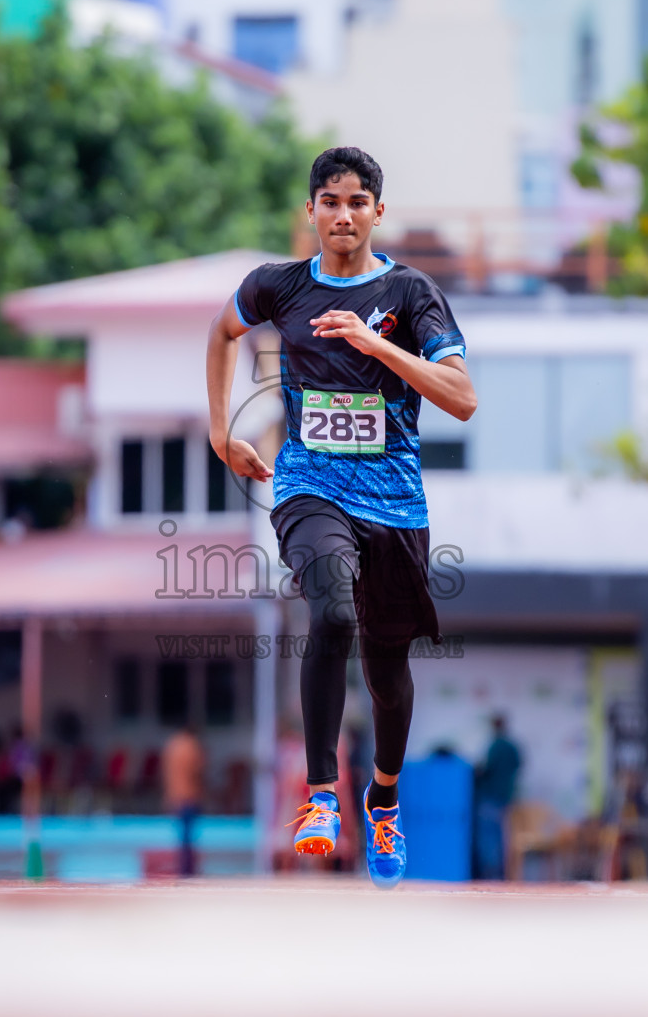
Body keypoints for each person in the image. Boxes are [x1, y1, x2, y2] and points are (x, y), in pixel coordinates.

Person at [206, 147, 477, 889]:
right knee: (328, 613)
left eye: (357, 202)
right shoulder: (278, 288)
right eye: (330, 201)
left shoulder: (411, 291)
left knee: (388, 675)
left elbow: (462, 397)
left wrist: (376, 343)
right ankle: (321, 797)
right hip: (308, 487)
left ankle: (381, 802)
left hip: (394, 503)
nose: (343, 214)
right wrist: (219, 430)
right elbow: (222, 332)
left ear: (377, 212)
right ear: (312, 211)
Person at [475, 714, 523, 880]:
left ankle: (491, 875)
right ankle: (501, 875)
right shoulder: (512, 746)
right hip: (506, 796)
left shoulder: (495, 746)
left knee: (489, 838)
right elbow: (518, 766)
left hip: (490, 796)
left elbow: (486, 769)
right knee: (502, 837)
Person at [161, 725, 206, 877]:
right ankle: (188, 869)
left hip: (175, 795)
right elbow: (196, 771)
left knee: (182, 836)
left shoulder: (172, 746)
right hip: (189, 795)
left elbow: (167, 773)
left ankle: (183, 868)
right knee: (188, 836)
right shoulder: (191, 747)